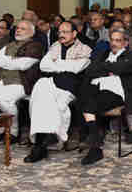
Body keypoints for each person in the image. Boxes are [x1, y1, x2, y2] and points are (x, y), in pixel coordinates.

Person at [25, 21, 92, 163]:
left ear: (74, 34)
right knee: (40, 92)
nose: (61, 35)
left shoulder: (84, 48)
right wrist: (65, 65)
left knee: (53, 101)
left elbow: (77, 68)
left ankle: (43, 142)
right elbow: (44, 66)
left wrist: (56, 64)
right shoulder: (55, 46)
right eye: (59, 32)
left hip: (71, 87)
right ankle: (41, 143)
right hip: (52, 82)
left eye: (65, 32)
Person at [0, 21, 43, 143]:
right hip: (0, 80)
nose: (18, 30)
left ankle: (13, 131)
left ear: (32, 33)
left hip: (21, 82)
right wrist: (11, 60)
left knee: (4, 101)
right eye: (17, 28)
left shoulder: (35, 45)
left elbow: (23, 65)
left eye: (22, 29)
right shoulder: (9, 45)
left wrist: (5, 61)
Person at [78, 28, 132, 165]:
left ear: (125, 43)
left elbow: (120, 68)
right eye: (112, 40)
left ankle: (95, 146)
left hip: (118, 94)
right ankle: (94, 139)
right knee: (82, 99)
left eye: (118, 40)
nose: (114, 43)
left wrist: (104, 67)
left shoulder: (131, 55)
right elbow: (90, 70)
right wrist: (110, 68)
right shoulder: (104, 53)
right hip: (97, 90)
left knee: (88, 105)